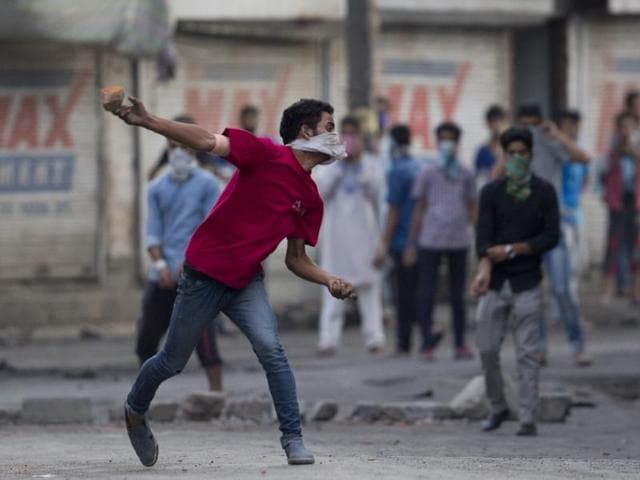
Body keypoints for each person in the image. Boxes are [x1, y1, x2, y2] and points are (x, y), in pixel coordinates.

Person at [111, 97, 356, 467]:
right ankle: (134, 410)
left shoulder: (310, 199)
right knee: (171, 361)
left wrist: (328, 279)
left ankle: (293, 439)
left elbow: (296, 260)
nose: (336, 137)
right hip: (203, 276)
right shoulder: (265, 154)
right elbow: (208, 142)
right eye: (330, 127)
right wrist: (149, 121)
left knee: (272, 351)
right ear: (307, 131)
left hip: (245, 282)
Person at [472, 126, 560, 437]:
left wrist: (513, 249)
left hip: (528, 281)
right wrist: (483, 271)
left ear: (531, 155)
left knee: (527, 352)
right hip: (495, 283)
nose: (518, 159)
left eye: (523, 153)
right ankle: (498, 407)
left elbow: (551, 236)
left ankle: (527, 416)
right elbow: (483, 240)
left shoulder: (544, 192)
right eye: (512, 154)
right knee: (486, 348)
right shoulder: (491, 193)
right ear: (503, 155)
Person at [138, 117, 223, 392]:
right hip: (163, 275)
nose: (179, 152)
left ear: (195, 148)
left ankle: (217, 397)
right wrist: (161, 264)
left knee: (205, 342)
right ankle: (141, 400)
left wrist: (190, 262)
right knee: (146, 339)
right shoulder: (156, 188)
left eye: (185, 146)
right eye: (174, 146)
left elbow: (210, 229)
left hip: (196, 275)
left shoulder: (208, 184)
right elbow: (152, 233)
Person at [514, 103, 592, 366]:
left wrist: (556, 134)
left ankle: (578, 345)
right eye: (524, 124)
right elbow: (497, 175)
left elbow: (583, 158)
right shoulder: (515, 151)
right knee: (532, 294)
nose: (529, 129)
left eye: (533, 124)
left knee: (561, 290)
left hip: (552, 227)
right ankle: (540, 349)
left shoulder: (549, 144)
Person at [404, 122, 477, 361]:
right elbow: (419, 208)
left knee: (458, 295)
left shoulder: (466, 174)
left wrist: (479, 240)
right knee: (427, 292)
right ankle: (427, 343)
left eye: (451, 139)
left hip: (458, 240)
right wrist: (411, 244)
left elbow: (472, 207)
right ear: (438, 143)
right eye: (443, 139)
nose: (447, 144)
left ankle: (460, 344)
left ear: (457, 143)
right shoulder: (428, 172)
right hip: (430, 238)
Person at [316, 116, 385, 355]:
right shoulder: (328, 166)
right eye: (344, 134)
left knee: (369, 290)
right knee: (333, 288)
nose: (349, 138)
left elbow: (377, 194)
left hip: (365, 239)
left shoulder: (371, 164)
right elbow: (321, 192)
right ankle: (328, 340)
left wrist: (359, 165)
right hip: (336, 241)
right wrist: (340, 162)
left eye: (353, 134)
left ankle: (374, 338)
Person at [373, 125, 442, 355]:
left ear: (391, 143)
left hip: (403, 241)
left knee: (404, 294)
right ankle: (427, 334)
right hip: (427, 239)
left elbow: (393, 210)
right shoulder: (422, 166)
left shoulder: (397, 171)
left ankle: (405, 342)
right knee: (424, 290)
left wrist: (384, 242)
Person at [602, 111, 640, 304]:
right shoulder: (613, 152)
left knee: (636, 247)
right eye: (622, 127)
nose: (626, 131)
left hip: (636, 202)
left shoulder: (636, 151)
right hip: (617, 203)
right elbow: (602, 174)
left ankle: (635, 290)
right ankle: (607, 290)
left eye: (629, 127)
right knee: (614, 245)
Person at [555, 110, 590, 314]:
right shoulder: (557, 151)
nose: (569, 129)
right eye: (565, 125)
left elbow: (585, 177)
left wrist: (576, 201)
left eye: (572, 125)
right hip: (558, 213)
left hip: (575, 211)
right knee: (560, 263)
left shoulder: (580, 151)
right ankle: (559, 311)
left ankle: (571, 308)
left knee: (575, 262)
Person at [475, 105, 508, 190]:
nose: (497, 125)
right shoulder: (482, 151)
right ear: (488, 124)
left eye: (501, 121)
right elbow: (480, 179)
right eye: (494, 121)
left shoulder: (512, 150)